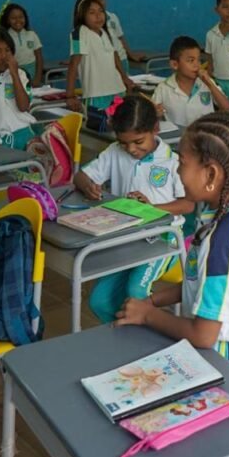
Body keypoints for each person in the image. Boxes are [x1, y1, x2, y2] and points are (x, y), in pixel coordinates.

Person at [116, 112, 229, 384]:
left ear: (211, 174)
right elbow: (201, 283)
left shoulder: (224, 241)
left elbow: (204, 334)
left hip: (227, 356)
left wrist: (148, 315)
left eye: (182, 163)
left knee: (226, 423)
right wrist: (154, 300)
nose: (178, 172)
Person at [72, 95, 192, 322]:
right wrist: (88, 186)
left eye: (138, 142)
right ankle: (131, 335)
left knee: (136, 291)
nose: (131, 149)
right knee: (98, 301)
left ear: (155, 129)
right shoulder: (114, 152)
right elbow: (81, 176)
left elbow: (188, 204)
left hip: (164, 240)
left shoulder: (171, 161)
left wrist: (152, 208)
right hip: (125, 239)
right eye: (124, 142)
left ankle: (152, 334)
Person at [65, 0, 134, 113]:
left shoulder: (105, 32)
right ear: (82, 16)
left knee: (121, 126)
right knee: (99, 128)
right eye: (92, 12)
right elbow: (73, 64)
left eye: (101, 11)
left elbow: (114, 55)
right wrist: (70, 95)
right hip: (96, 94)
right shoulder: (80, 32)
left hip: (117, 90)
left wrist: (124, 77)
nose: (98, 16)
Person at [152, 35, 229, 129]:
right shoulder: (163, 88)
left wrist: (210, 84)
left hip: (205, 134)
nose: (197, 65)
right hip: (177, 138)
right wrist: (156, 114)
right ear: (174, 64)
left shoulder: (206, 83)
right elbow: (152, 117)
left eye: (199, 60)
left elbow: (227, 109)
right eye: (191, 60)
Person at [79, 0, 147, 64]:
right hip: (100, 62)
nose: (99, 2)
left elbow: (120, 38)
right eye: (94, 0)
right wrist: (75, 58)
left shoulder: (112, 17)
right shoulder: (82, 24)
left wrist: (130, 54)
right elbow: (78, 45)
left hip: (121, 59)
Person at [0, 1, 45, 86]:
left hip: (32, 73)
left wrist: (37, 78)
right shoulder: (5, 37)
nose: (18, 20)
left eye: (21, 17)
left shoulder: (32, 35)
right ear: (7, 20)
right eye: (13, 18)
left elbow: (39, 58)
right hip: (12, 72)